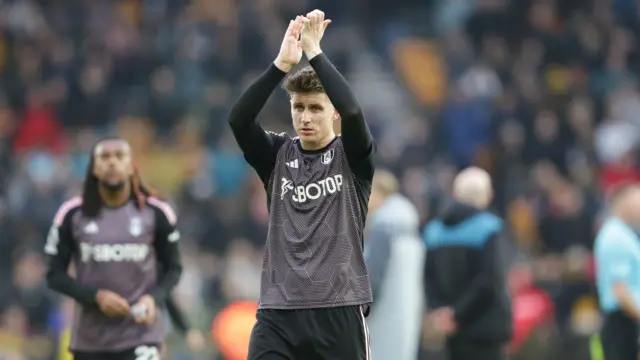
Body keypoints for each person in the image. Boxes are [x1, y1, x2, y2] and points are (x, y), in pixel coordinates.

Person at [228, 9, 375, 360]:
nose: (305, 117)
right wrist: (280, 65)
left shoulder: (352, 157)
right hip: (278, 310)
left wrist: (315, 52)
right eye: (298, 107)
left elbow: (355, 113)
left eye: (315, 108)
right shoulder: (277, 155)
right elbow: (239, 119)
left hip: (338, 307)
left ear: (333, 113)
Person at [44, 137, 182, 360]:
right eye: (105, 157)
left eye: (119, 156)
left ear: (130, 166)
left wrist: (153, 299)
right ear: (95, 168)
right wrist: (96, 297)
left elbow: (173, 269)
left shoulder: (156, 213)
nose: (112, 163)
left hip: (140, 336)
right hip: (91, 342)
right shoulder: (72, 214)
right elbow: (54, 275)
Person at [423, 167, 512, 360]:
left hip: (448, 332)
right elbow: (489, 280)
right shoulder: (490, 228)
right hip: (485, 330)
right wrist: (457, 314)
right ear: (488, 196)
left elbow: (428, 278)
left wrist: (442, 313)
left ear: (455, 194)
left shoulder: (434, 230)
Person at [364, 170, 424, 360]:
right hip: (408, 314)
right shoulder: (410, 227)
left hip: (383, 318)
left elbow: (373, 280)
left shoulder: (383, 226)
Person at [594, 184, 640, 360]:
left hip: (626, 318)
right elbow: (620, 290)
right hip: (623, 320)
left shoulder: (624, 234)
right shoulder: (616, 237)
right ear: (623, 202)